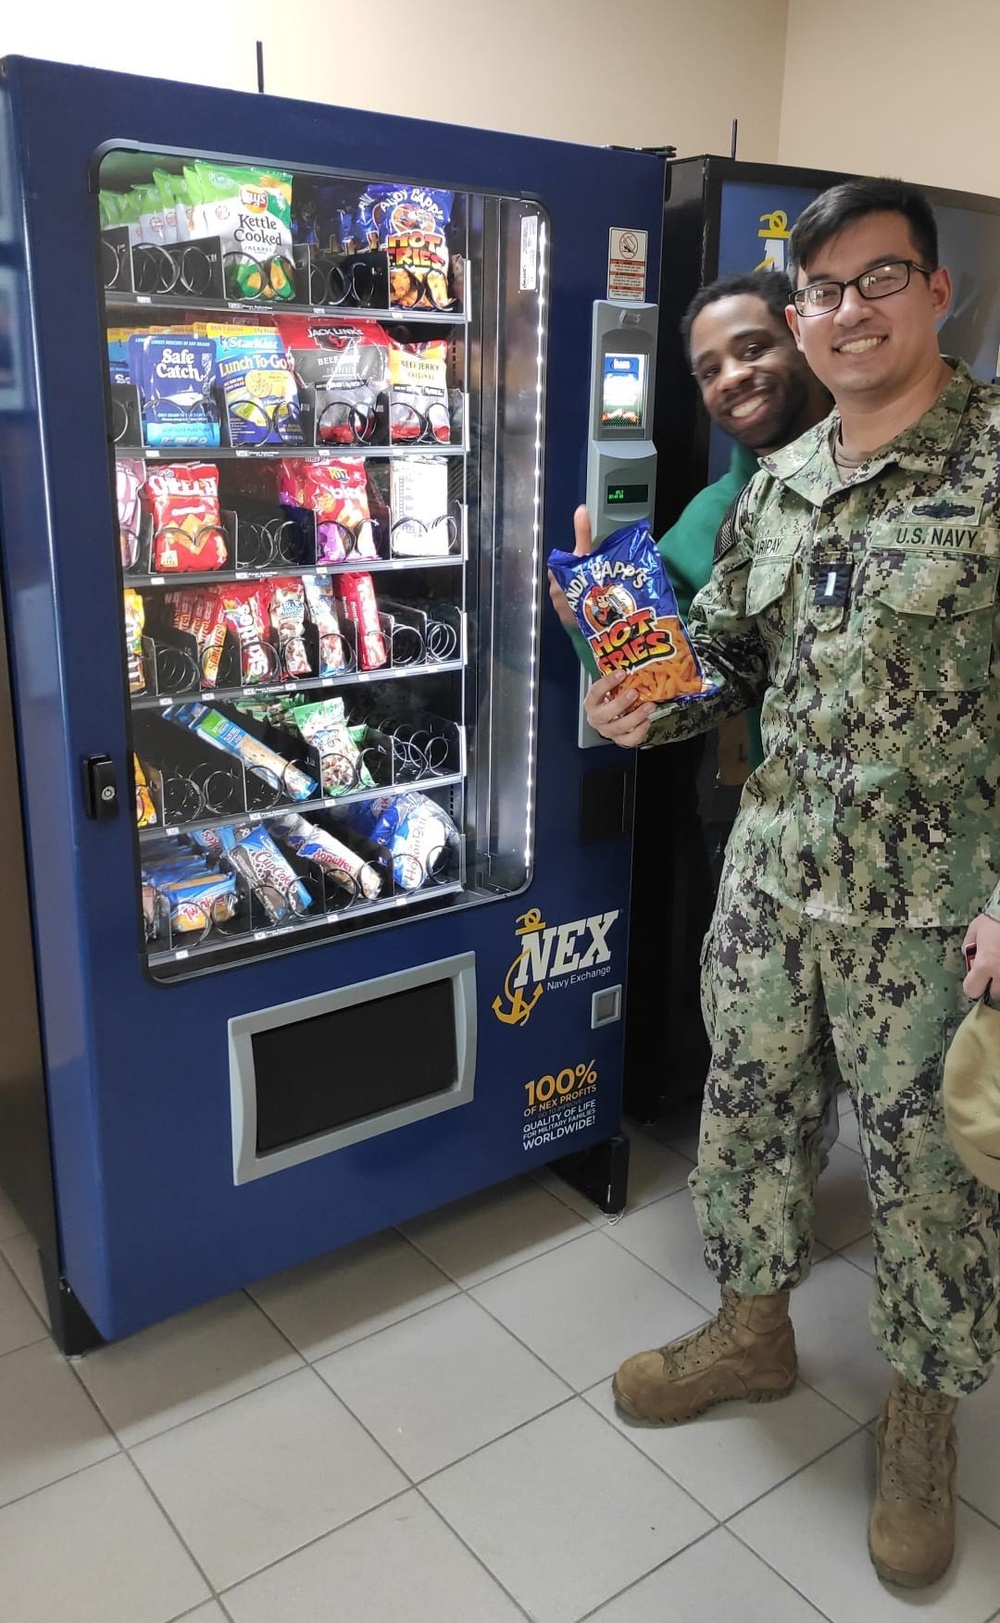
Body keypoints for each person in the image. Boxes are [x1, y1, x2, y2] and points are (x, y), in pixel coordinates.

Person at [581, 178, 1000, 1591]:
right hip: (769, 888)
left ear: (937, 294)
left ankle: (925, 1415)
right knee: (746, 1120)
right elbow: (727, 660)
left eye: (875, 280)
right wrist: (642, 688)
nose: (843, 311)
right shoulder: (780, 481)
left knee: (931, 1185)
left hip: (936, 918)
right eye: (820, 289)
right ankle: (751, 1330)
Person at [549, 269, 841, 1149]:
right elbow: (664, 667)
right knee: (762, 1085)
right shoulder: (722, 512)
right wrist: (589, 620)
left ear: (802, 333)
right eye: (710, 368)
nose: (732, 379)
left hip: (921, 865)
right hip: (771, 834)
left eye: (753, 348)